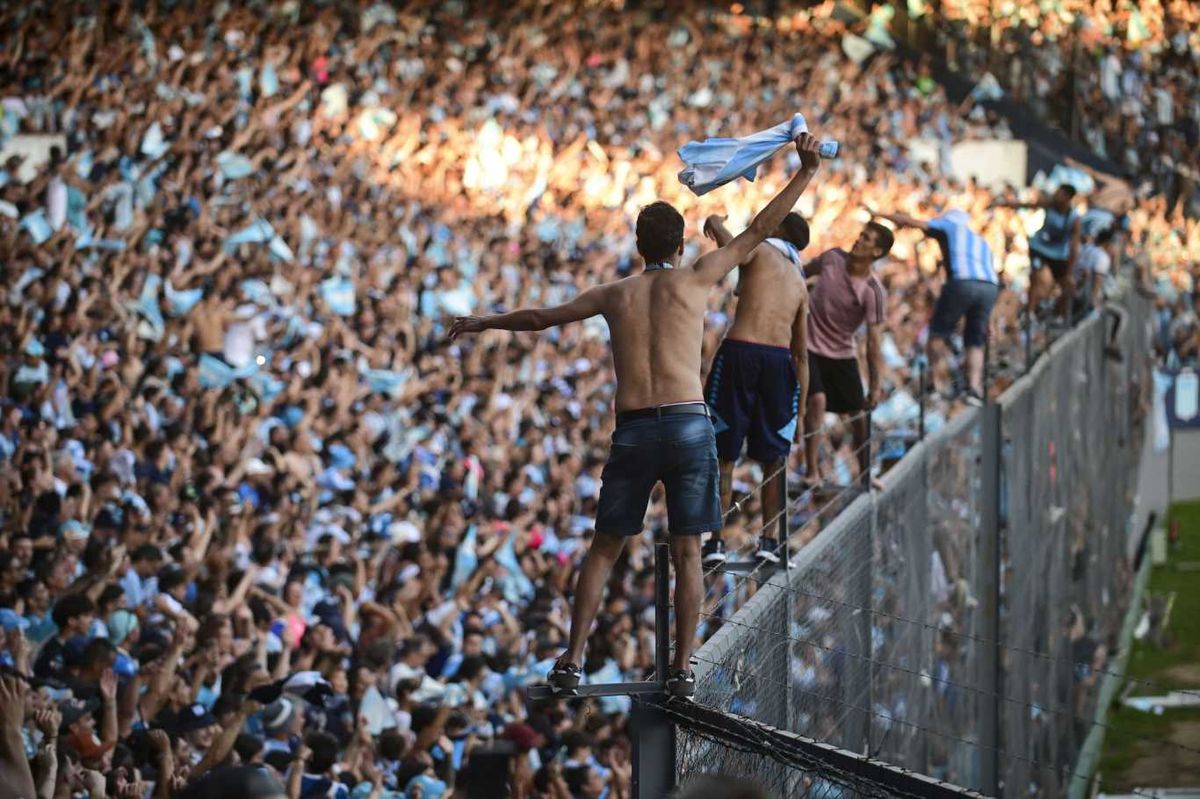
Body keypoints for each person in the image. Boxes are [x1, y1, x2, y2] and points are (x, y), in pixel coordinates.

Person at [449, 133, 826, 698]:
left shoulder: (614, 293)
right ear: (679, 246)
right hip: (688, 424)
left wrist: (484, 321)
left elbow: (540, 318)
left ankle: (572, 658)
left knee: (606, 546)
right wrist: (805, 173)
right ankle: (680, 670)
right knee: (688, 550)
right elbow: (758, 232)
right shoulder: (696, 278)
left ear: (637, 243)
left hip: (633, 430)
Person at [695, 212, 811, 566]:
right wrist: (801, 411)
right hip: (780, 364)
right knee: (774, 458)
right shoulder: (801, 283)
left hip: (741, 352)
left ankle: (714, 541)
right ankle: (771, 539)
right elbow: (802, 355)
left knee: (724, 453)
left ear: (776, 228)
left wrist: (714, 220)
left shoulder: (760, 249)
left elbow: (734, 247)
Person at [869, 207, 999, 404]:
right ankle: (974, 388)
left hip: (962, 282)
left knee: (937, 335)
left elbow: (912, 221)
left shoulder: (950, 226)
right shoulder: (981, 241)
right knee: (975, 340)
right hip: (989, 287)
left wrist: (880, 214)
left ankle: (935, 384)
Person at [802, 223, 894, 488]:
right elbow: (802, 272)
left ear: (876, 251)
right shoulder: (831, 258)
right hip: (809, 346)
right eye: (860, 234)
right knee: (817, 401)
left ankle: (866, 473)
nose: (859, 239)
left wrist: (875, 386)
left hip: (842, 353)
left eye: (866, 239)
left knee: (859, 416)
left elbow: (873, 343)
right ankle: (811, 470)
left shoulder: (873, 291)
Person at [995, 184, 1082, 319]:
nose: (1055, 194)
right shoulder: (1050, 205)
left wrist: (1069, 272)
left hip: (1058, 254)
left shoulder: (1074, 218)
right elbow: (1028, 205)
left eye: (1059, 193)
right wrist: (1005, 204)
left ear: (1067, 197)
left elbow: (1074, 246)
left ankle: (1059, 315)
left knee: (1067, 285)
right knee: (1035, 277)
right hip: (1039, 248)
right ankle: (1030, 313)